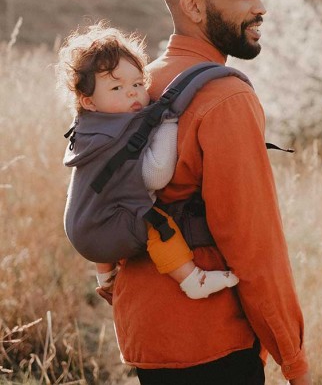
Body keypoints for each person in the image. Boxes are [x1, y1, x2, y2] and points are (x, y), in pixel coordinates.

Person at [111, 0, 311, 385]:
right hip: (212, 342)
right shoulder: (226, 99)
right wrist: (293, 359)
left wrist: (111, 287)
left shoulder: (136, 85)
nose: (260, 8)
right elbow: (254, 245)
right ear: (194, 6)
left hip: (145, 331)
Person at [57, 22, 239, 301]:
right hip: (103, 231)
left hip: (81, 226)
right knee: (157, 224)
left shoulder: (89, 127)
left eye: (138, 83)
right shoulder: (116, 134)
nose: (132, 92)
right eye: (116, 87)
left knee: (106, 200)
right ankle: (192, 278)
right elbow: (156, 175)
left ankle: (105, 275)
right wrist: (168, 123)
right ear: (88, 101)